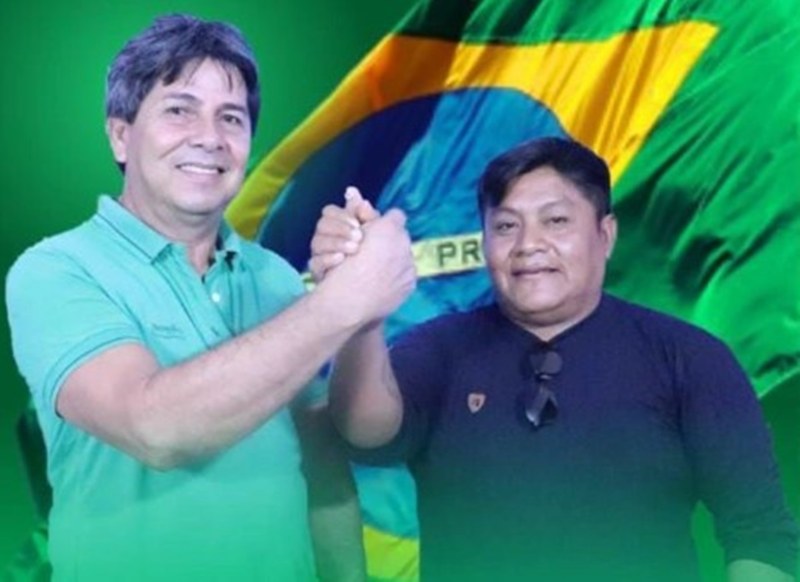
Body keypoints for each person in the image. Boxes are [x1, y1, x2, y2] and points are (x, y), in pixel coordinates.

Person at [5, 14, 416, 582]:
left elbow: (324, 470)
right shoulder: (55, 271)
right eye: (179, 110)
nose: (210, 137)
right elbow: (154, 430)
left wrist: (361, 315)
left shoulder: (275, 278)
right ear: (121, 136)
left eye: (232, 117)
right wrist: (342, 301)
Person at [310, 137, 799, 582]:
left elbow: (759, 534)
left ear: (605, 235)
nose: (528, 245)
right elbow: (365, 432)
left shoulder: (689, 358)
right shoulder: (440, 348)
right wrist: (362, 312)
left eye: (556, 221)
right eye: (506, 226)